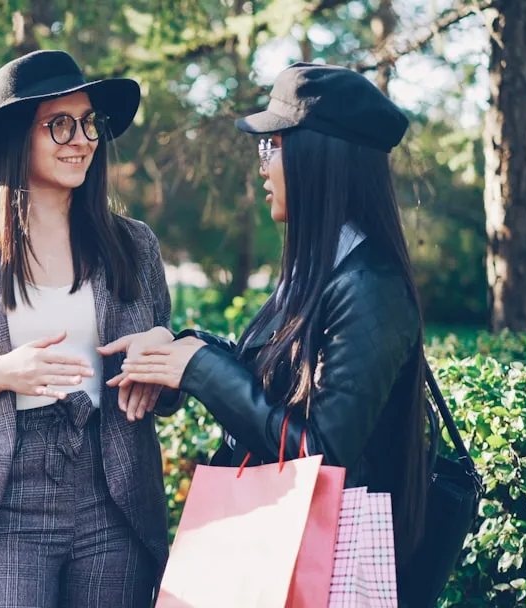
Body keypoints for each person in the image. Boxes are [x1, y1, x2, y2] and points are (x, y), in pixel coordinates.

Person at [109, 62, 431, 605]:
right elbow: (269, 375)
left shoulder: (370, 285)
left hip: (325, 561)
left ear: (319, 158)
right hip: (277, 546)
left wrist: (202, 370)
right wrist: (182, 349)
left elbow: (323, 455)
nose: (262, 167)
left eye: (272, 147)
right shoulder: (322, 267)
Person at [0, 50, 180, 608]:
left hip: (116, 502)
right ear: (15, 138)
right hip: (1, 505)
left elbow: (164, 399)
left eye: (90, 123)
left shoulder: (134, 245)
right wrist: (1, 374)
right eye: (60, 125)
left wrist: (166, 351)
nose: (82, 140)